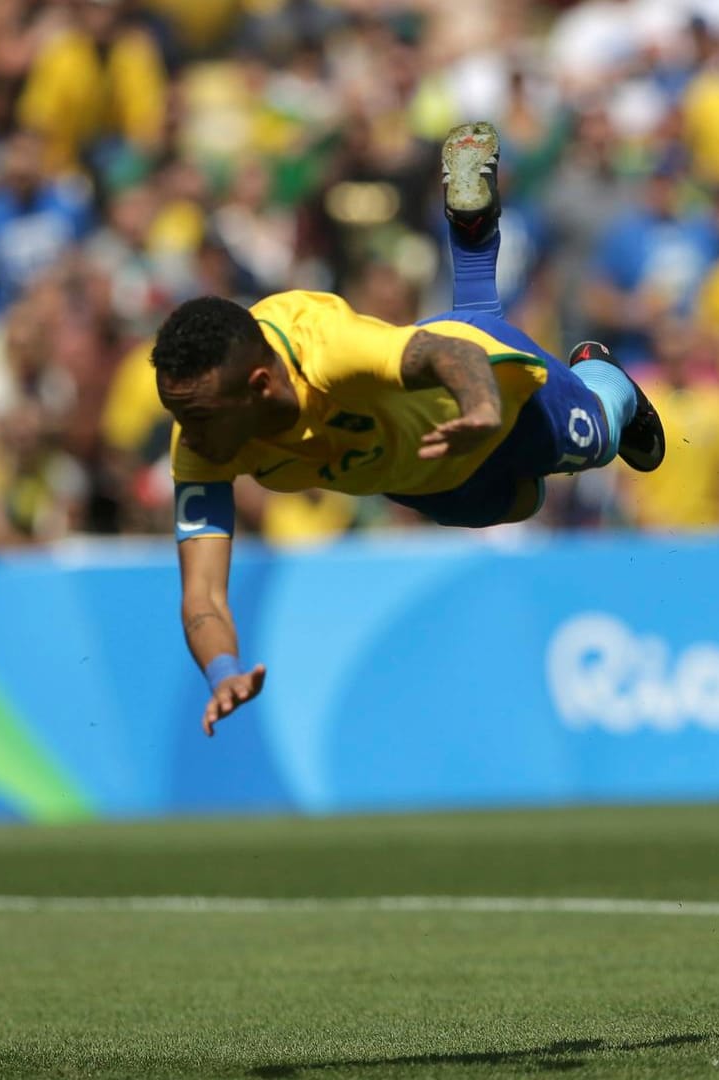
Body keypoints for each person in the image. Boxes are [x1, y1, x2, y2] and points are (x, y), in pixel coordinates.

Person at [154, 122, 666, 735]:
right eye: (180, 415)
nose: (188, 437)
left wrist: (480, 411)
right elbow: (203, 596)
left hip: (479, 397)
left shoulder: (325, 349)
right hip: (427, 482)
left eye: (201, 416)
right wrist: (223, 671)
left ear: (261, 386)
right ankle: (472, 238)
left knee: (593, 443)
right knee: (520, 500)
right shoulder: (201, 442)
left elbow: (451, 359)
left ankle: (605, 380)